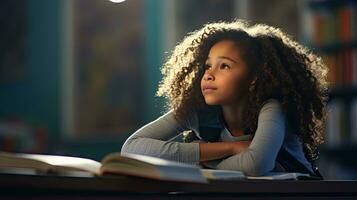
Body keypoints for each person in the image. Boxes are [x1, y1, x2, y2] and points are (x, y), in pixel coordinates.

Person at [121, 20, 328, 178]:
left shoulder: (272, 108)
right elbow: (131, 149)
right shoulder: (197, 111)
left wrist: (202, 163)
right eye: (208, 66)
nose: (209, 74)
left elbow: (256, 164)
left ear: (254, 78)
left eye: (224, 66)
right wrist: (230, 148)